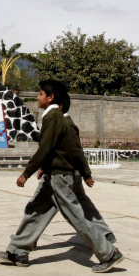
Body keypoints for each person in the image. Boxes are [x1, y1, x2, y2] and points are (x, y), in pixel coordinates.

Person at [0, 80, 123, 272]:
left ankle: (109, 253)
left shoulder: (54, 117)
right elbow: (55, 149)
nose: (37, 98)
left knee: (77, 217)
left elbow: (47, 148)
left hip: (60, 178)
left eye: (40, 94)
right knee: (34, 211)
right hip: (52, 175)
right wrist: (44, 168)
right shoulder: (53, 116)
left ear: (50, 97)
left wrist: (26, 173)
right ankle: (18, 250)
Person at [57, 92, 116, 243]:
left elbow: (77, 151)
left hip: (67, 173)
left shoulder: (66, 125)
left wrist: (86, 174)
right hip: (63, 172)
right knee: (79, 203)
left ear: (60, 106)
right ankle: (105, 233)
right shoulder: (58, 122)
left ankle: (101, 240)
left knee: (49, 208)